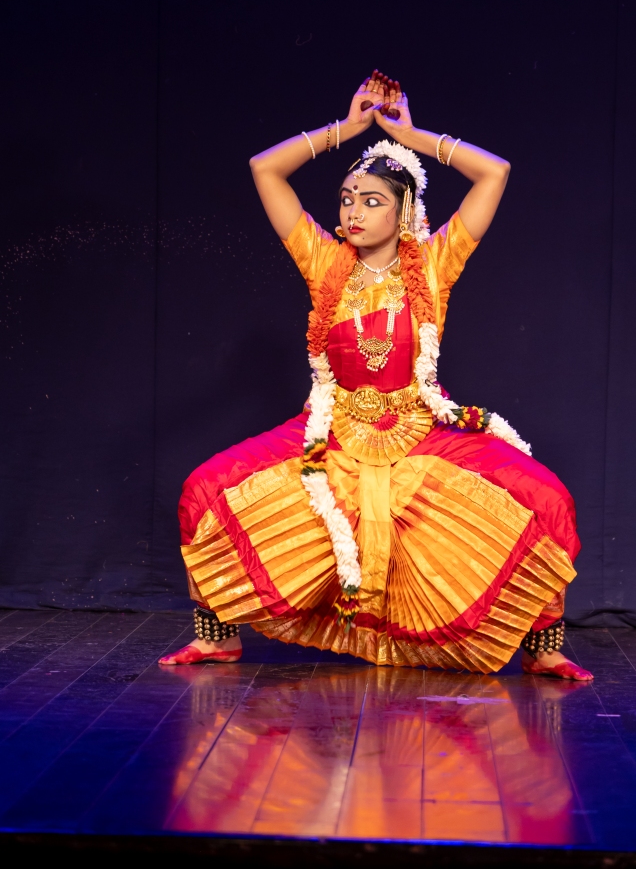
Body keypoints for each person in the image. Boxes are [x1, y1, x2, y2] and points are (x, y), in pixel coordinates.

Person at [160, 72, 592, 679]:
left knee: (546, 499)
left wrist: (410, 138)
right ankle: (217, 638)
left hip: (420, 428)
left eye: (371, 201)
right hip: (332, 429)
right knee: (205, 488)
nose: (353, 211)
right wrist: (348, 129)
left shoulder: (435, 264)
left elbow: (494, 173)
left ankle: (544, 648)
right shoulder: (324, 261)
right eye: (346, 199)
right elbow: (264, 169)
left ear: (404, 209)